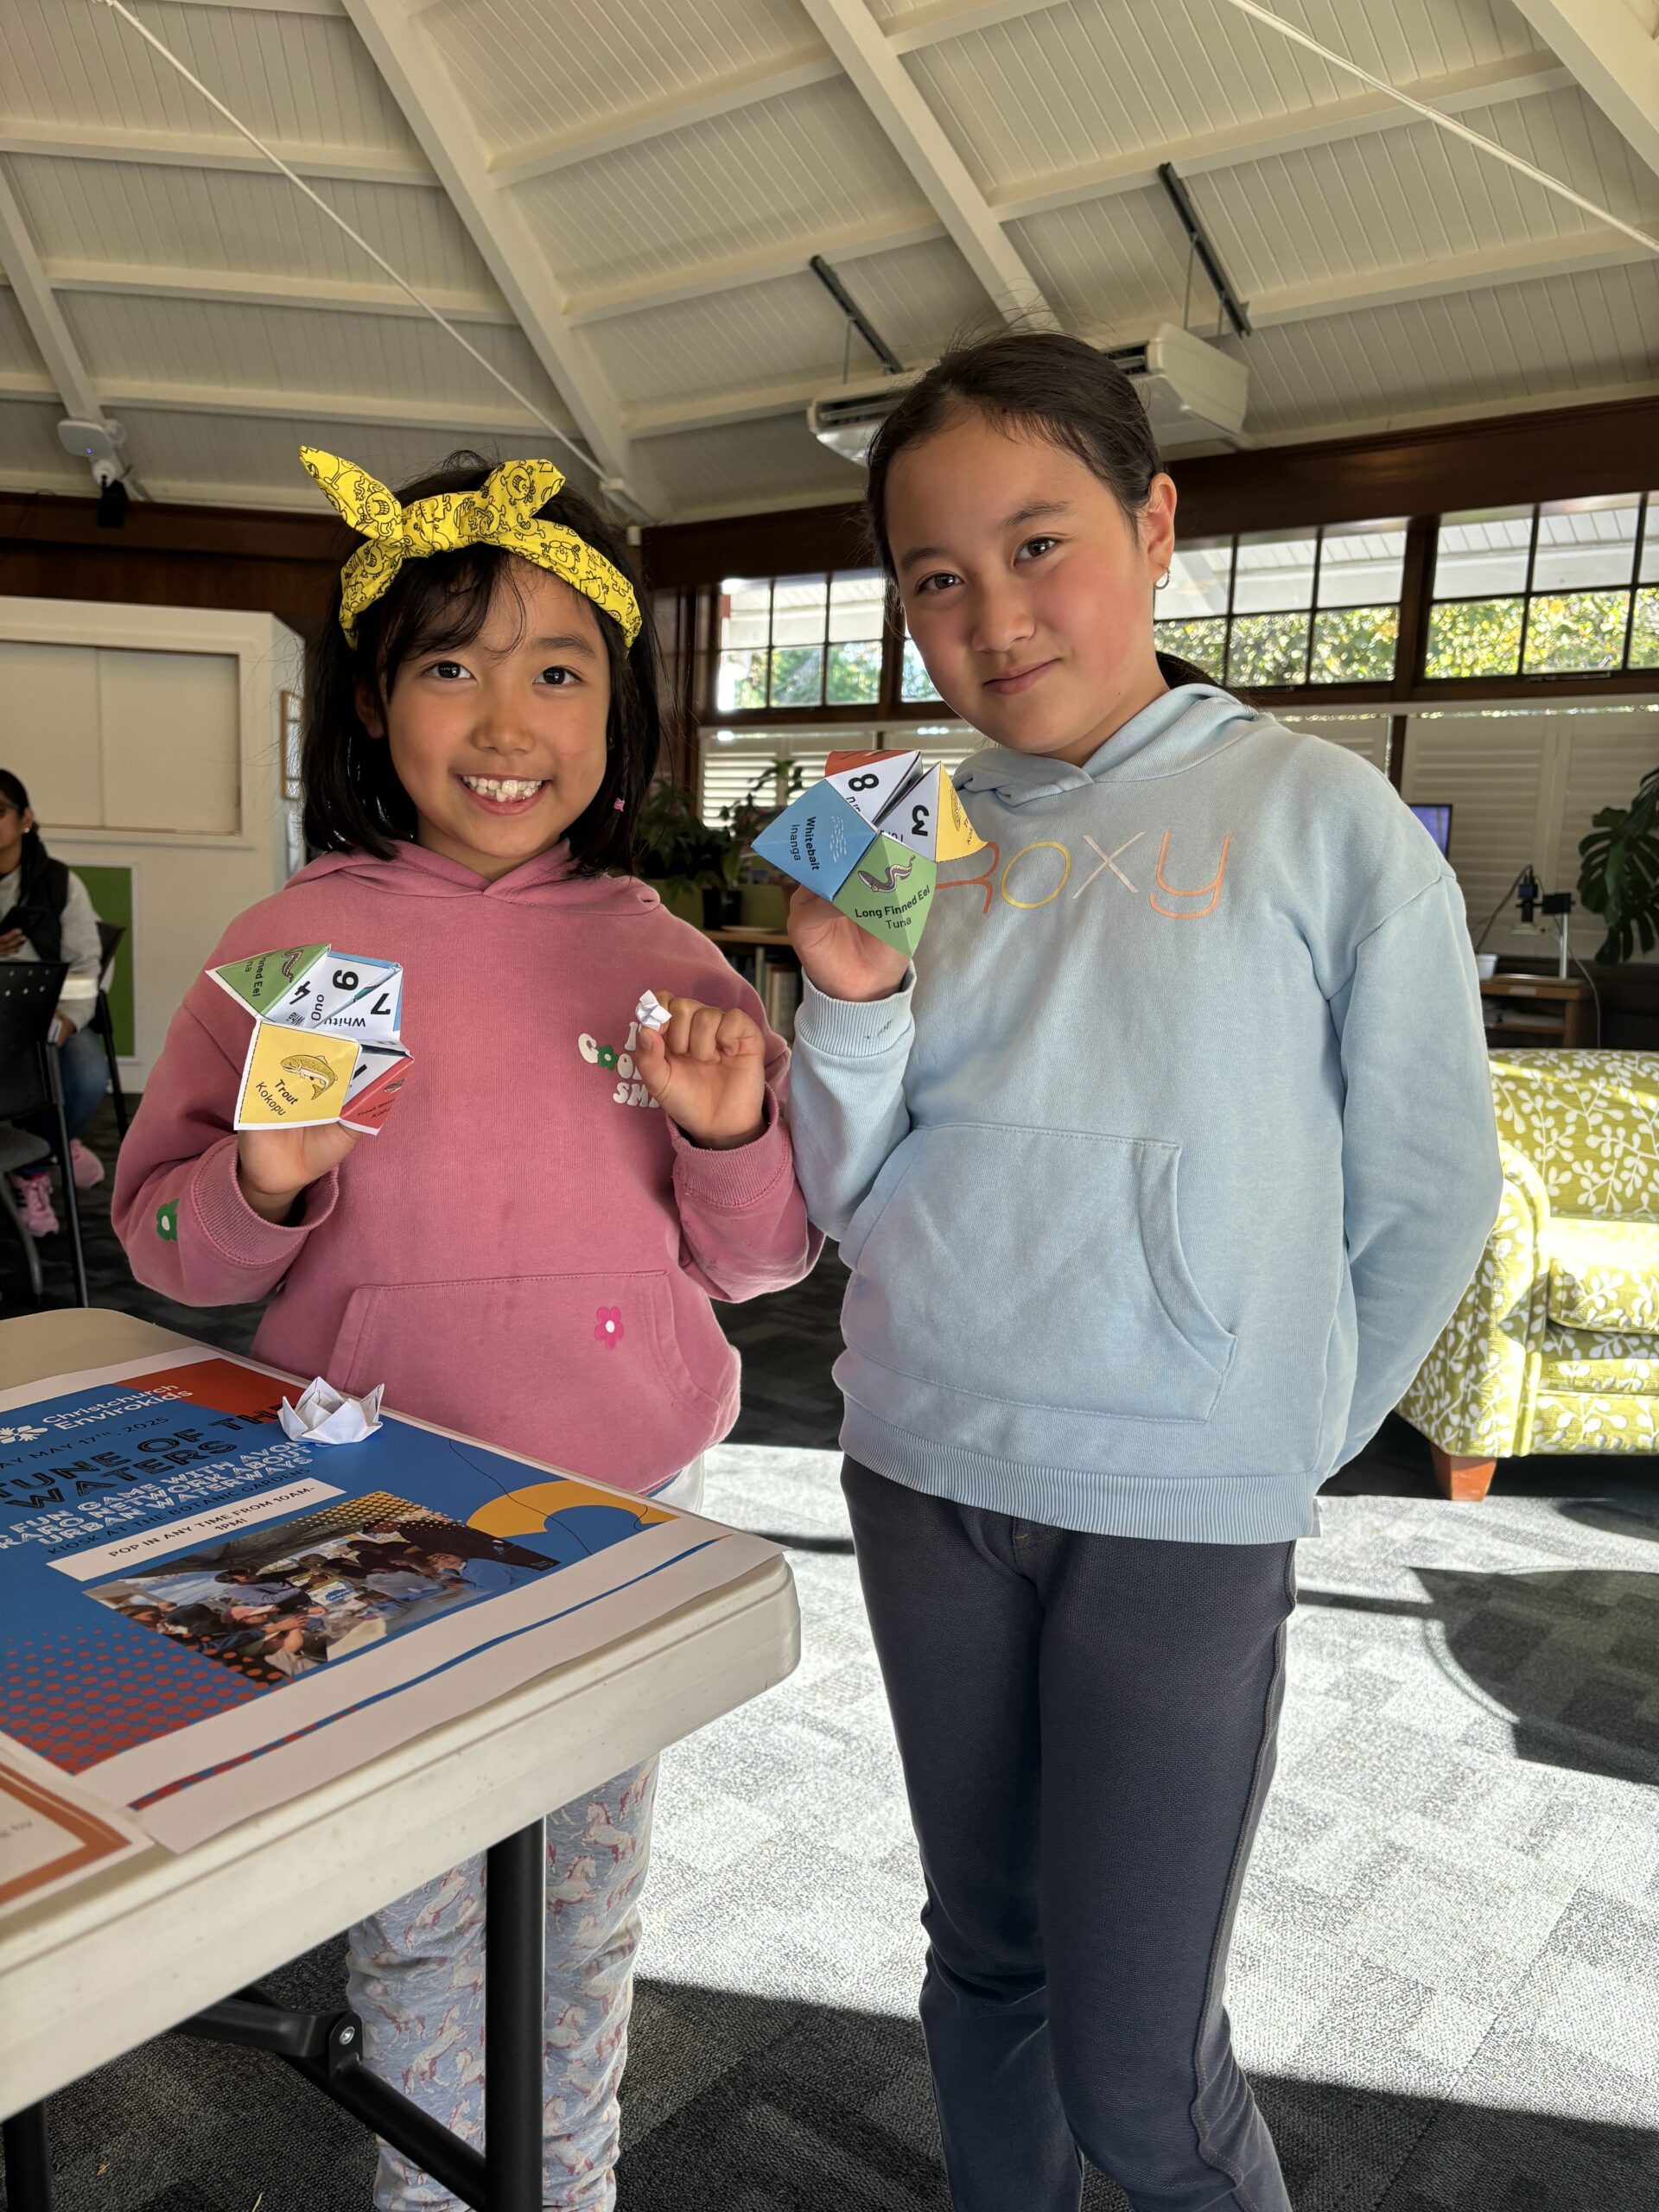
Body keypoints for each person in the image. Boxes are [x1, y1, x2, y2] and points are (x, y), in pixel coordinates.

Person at [784, 332, 1501, 2212]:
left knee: (1139, 2078)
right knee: (983, 1964)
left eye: (1039, 545)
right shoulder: (895, 832)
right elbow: (842, 1194)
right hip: (923, 1462)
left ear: (1156, 522)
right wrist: (845, 1002)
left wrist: (1280, 1427)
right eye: (935, 578)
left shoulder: (1325, 815)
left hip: (1180, 1506)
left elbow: (1430, 1185)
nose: (992, 615)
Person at [112, 445, 817, 2212]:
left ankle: (560, 2187)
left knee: (581, 1916)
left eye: (558, 669)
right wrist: (264, 1179)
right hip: (369, 1522)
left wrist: (731, 1134)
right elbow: (162, 1242)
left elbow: (760, 1261)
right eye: (451, 664)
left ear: (616, 707)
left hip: (619, 1517)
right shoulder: (288, 946)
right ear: (373, 698)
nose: (507, 721)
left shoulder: (672, 954)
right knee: (423, 1924)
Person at [0, 768, 111, 1234]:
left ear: (25, 819)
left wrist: (68, 1018)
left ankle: (34, 1163)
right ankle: (56, 1141)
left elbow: (85, 966)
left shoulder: (60, 884)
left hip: (48, 1014)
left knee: (86, 1074)